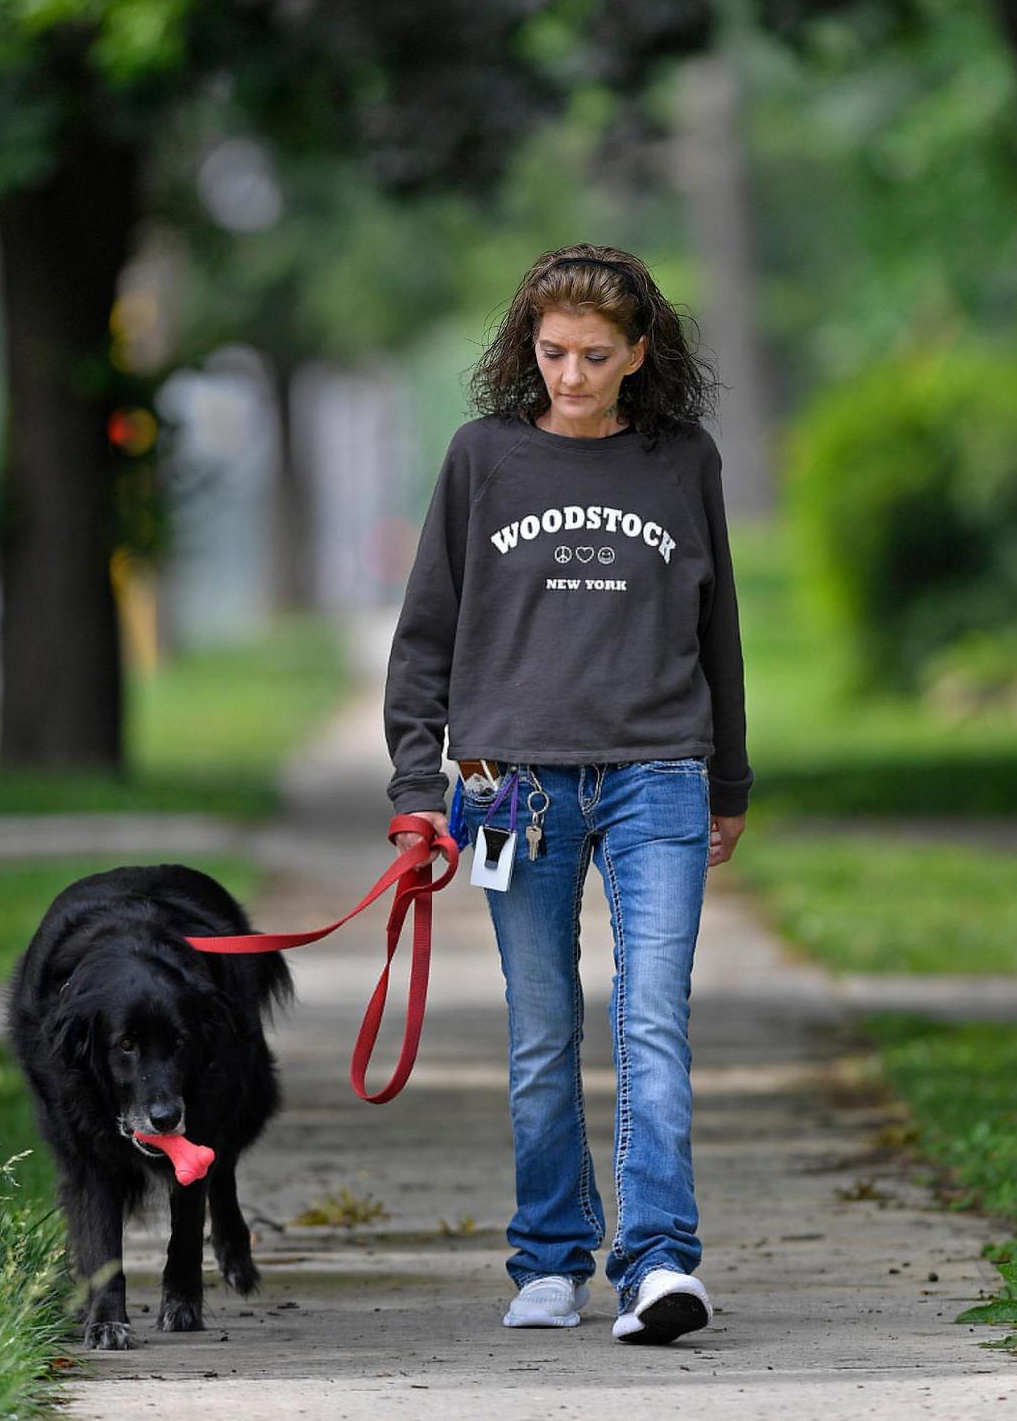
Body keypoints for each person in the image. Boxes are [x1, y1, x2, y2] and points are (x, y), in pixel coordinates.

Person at [383, 244, 752, 1345]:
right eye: (553, 354)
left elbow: (717, 627)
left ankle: (657, 1263)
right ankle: (549, 1258)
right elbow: (426, 638)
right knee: (542, 1025)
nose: (573, 376)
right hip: (513, 785)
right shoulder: (481, 458)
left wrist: (729, 776)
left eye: (597, 356)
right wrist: (416, 781)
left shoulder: (680, 460)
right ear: (526, 348)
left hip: (658, 775)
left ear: (640, 354)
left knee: (652, 1019)